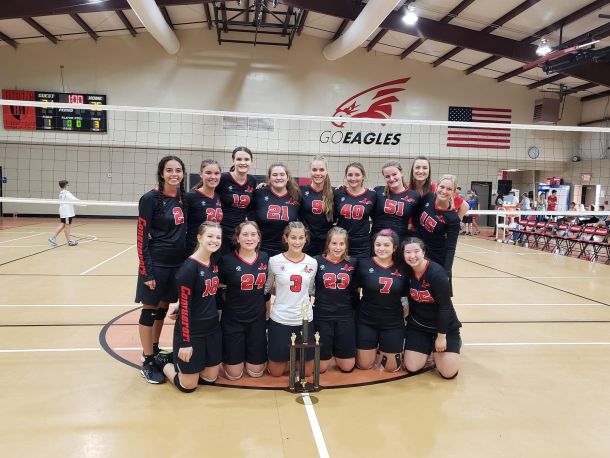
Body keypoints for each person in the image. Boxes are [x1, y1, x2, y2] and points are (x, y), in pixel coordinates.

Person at [135, 156, 187, 384]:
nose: (174, 174)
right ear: (161, 173)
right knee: (150, 310)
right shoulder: (150, 199)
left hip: (176, 265)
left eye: (178, 170)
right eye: (169, 170)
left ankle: (155, 350)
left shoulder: (184, 198)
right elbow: (141, 237)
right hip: (156, 264)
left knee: (163, 309)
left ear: (183, 173)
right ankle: (147, 360)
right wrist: (146, 271)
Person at [161, 222, 223, 393]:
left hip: (212, 328)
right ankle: (164, 364)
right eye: (210, 236)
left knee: (210, 378)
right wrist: (185, 343)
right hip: (192, 331)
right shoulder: (189, 268)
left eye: (218, 237)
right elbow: (185, 306)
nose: (214, 240)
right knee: (188, 386)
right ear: (199, 237)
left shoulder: (213, 260)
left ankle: (188, 365)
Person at [402, 238, 461, 379]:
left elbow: (445, 307)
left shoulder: (437, 273)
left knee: (448, 373)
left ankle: (453, 343)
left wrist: (441, 337)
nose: (412, 256)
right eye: (408, 252)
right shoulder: (406, 272)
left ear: (423, 252)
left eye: (416, 251)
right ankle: (427, 347)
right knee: (412, 367)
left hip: (444, 327)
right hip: (419, 326)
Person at [264, 222, 317, 377]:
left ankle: (294, 358)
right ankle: (287, 357)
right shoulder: (274, 261)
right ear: (285, 238)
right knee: (276, 372)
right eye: (293, 237)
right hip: (280, 318)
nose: (297, 242)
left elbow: (311, 290)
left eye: (301, 238)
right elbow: (267, 287)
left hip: (304, 319)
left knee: (307, 373)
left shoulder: (312, 262)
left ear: (306, 239)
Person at [218, 221, 269, 380]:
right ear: (237, 238)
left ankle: (250, 355)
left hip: (257, 321)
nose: (249, 238)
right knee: (234, 375)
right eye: (245, 234)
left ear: (259, 238)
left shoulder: (265, 258)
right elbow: (218, 288)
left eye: (253, 234)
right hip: (233, 321)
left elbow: (267, 289)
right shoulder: (226, 260)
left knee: (256, 372)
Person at [355, 229, 407, 372]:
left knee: (390, 368)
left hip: (392, 323)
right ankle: (373, 348)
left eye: (386, 245)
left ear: (394, 248)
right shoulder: (363, 264)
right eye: (378, 245)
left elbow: (407, 297)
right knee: (364, 365)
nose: (381, 248)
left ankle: (385, 348)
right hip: (366, 321)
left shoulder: (403, 268)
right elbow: (355, 291)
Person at [312, 227, 357, 373]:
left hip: (344, 316)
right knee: (320, 368)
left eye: (341, 244)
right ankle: (327, 355)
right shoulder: (316, 261)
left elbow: (355, 290)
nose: (338, 248)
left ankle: (337, 353)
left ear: (346, 245)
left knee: (347, 366)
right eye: (334, 243)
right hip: (322, 315)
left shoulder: (352, 263)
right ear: (328, 244)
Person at [413, 174, 461, 281]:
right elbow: (416, 216)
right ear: (437, 187)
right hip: (419, 253)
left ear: (454, 192)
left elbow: (451, 248)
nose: (444, 191)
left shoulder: (453, 218)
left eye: (449, 189)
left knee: (439, 289)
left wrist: (447, 271)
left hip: (436, 257)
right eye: (442, 187)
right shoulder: (429, 197)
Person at [252, 163, 301, 257]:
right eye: (275, 175)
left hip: (287, 250)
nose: (279, 177)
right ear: (269, 178)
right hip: (261, 249)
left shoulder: (296, 196)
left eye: (282, 174)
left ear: (288, 177)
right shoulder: (259, 193)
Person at [216, 147, 257, 255]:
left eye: (246, 159)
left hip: (240, 232)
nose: (243, 162)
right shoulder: (223, 178)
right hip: (221, 230)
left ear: (251, 161)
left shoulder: (252, 180)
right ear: (233, 161)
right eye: (239, 159)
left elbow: (252, 207)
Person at [371, 161, 420, 245]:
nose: (391, 179)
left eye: (394, 174)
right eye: (387, 176)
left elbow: (416, 222)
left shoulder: (414, 195)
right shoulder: (378, 191)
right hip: (378, 242)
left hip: (400, 243)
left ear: (401, 173)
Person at [334, 162, 377, 257]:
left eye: (357, 175)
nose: (353, 178)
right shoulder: (337, 193)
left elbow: (376, 218)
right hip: (341, 244)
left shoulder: (372, 195)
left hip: (362, 246)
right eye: (350, 175)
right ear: (345, 176)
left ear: (363, 176)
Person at [185, 159, 223, 255]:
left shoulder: (218, 196)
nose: (213, 177)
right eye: (208, 173)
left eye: (216, 173)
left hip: (214, 248)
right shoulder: (190, 197)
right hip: (195, 249)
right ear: (201, 174)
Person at [300, 156, 334, 256]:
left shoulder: (334, 192)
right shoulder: (301, 190)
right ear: (310, 171)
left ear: (326, 172)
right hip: (305, 243)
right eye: (314, 170)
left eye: (321, 170)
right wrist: (266, 187)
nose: (318, 173)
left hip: (326, 244)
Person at [48, 180, 80, 247]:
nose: (69, 186)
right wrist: (85, 203)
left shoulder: (61, 193)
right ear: (65, 185)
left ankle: (52, 238)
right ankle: (69, 241)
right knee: (67, 227)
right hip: (67, 213)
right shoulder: (66, 193)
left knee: (62, 225)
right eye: (68, 185)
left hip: (63, 212)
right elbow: (75, 200)